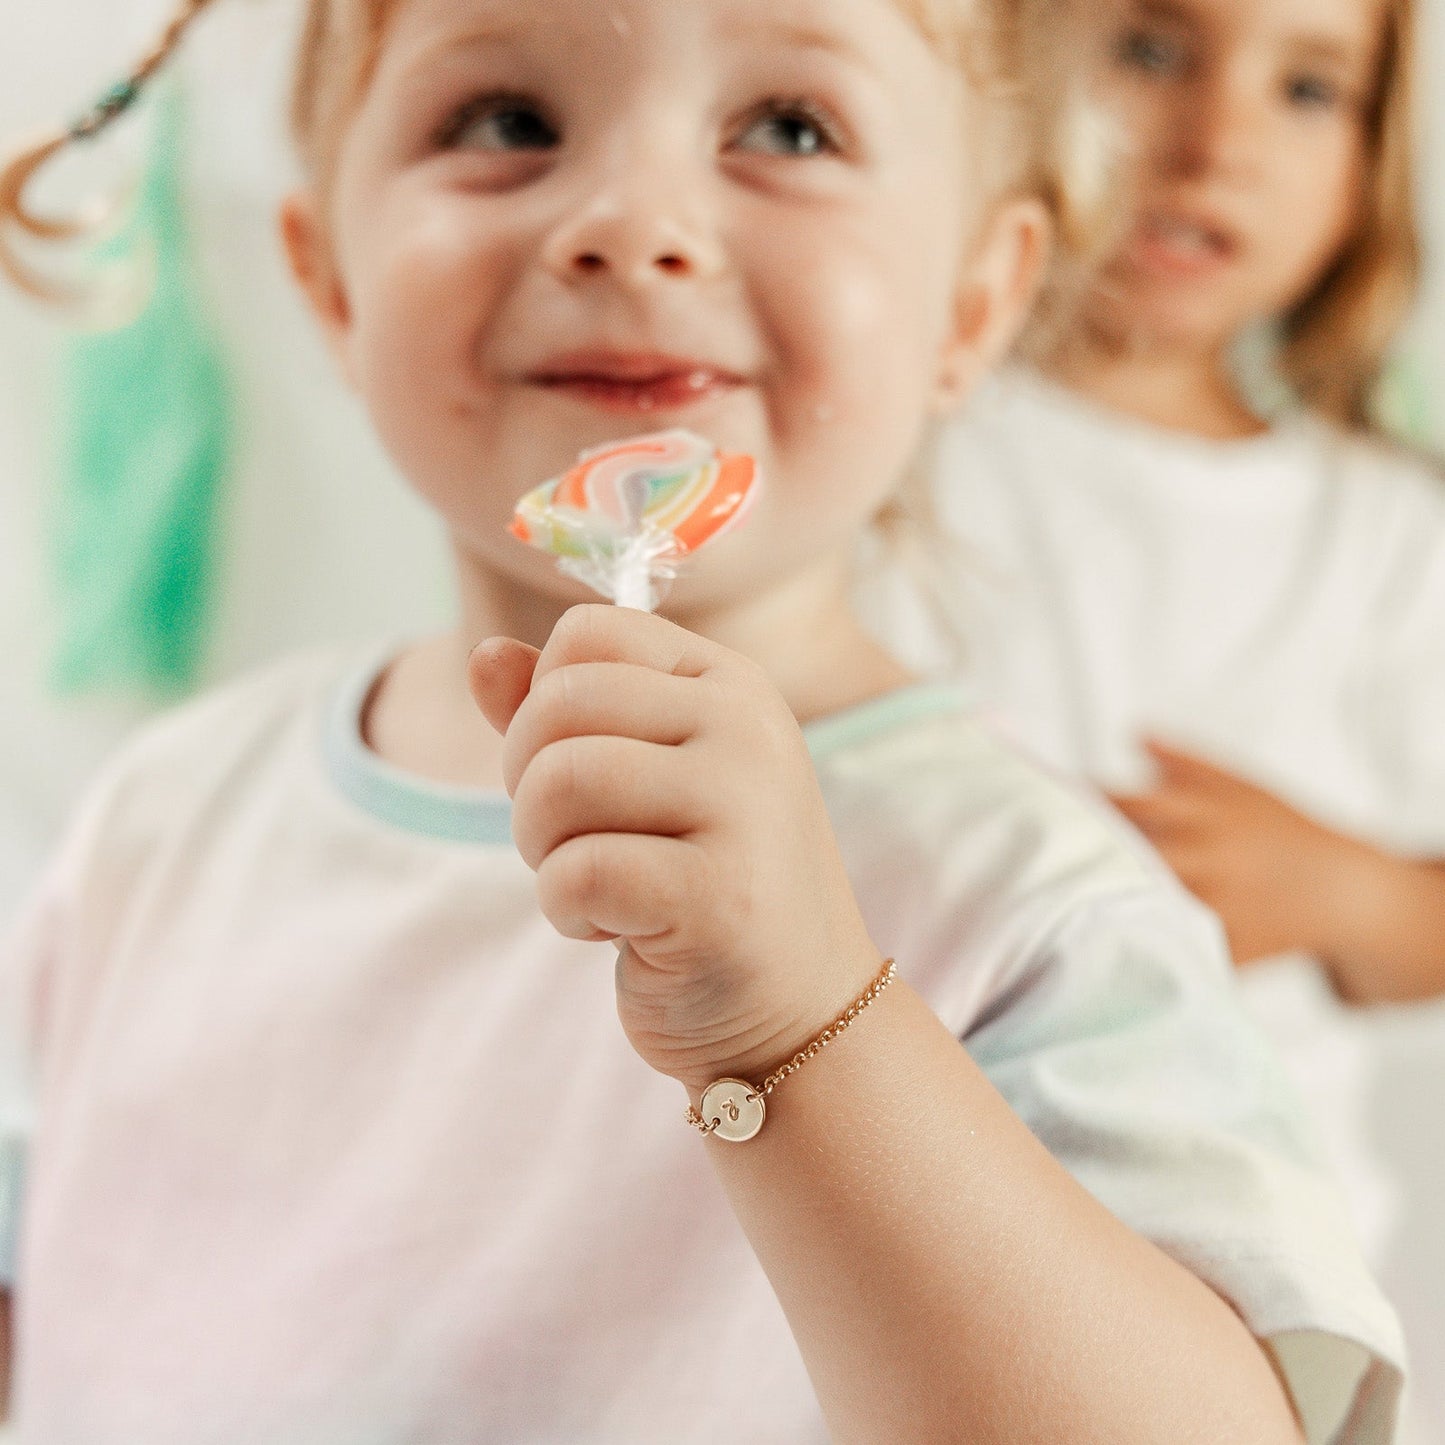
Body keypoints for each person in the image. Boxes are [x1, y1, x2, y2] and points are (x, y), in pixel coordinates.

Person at [0, 0, 1407, 1440]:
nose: (630, 221)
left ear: (974, 304)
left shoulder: (1032, 901)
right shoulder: (160, 816)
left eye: (789, 128)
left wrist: (801, 1020)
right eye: (504, 123)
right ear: (331, 283)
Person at [866, 0, 1444, 1433]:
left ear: (1370, 164)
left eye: (1308, 88)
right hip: (890, 1190)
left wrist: (1341, 888)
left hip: (1245, 1279)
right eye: (1149, 51)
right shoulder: (888, 437)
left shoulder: (1384, 537)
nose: (1214, 144)